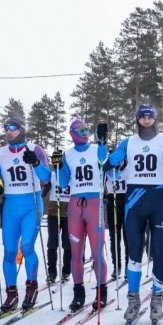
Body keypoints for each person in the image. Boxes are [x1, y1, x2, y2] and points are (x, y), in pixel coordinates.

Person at [103, 104, 163, 322]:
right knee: (134, 253)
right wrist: (105, 148)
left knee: (158, 252)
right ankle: (133, 299)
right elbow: (108, 164)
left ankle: (157, 299)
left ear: (155, 119)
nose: (147, 120)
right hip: (134, 201)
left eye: (150, 117)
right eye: (143, 117)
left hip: (159, 200)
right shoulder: (129, 142)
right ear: (137, 119)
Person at [0, 116, 50, 312]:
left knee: (27, 246)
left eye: (12, 127)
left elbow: (45, 177)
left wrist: (36, 162)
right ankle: (11, 293)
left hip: (32, 202)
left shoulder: (34, 148)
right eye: (5, 128)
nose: (8, 131)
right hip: (11, 205)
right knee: (10, 251)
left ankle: (32, 287)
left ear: (21, 129)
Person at [55, 120, 109, 312]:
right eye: (81, 130)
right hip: (75, 204)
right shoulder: (68, 154)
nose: (85, 132)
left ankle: (102, 292)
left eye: (87, 129)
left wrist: (103, 142)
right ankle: (79, 294)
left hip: (94, 203)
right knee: (75, 252)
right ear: (72, 133)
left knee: (96, 252)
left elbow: (104, 163)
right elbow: (61, 183)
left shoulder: (96, 149)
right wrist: (59, 166)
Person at [43, 161, 71, 284]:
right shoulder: (52, 174)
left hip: (70, 213)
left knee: (67, 244)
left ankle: (66, 271)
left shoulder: (72, 174)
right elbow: (44, 190)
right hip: (54, 211)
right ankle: (52, 272)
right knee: (52, 243)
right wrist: (44, 189)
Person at [104, 155, 127, 280]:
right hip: (112, 201)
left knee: (128, 237)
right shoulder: (108, 170)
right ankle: (116, 266)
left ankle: (129, 266)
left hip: (127, 201)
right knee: (114, 237)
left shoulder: (130, 169)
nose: (119, 162)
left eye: (121, 159)